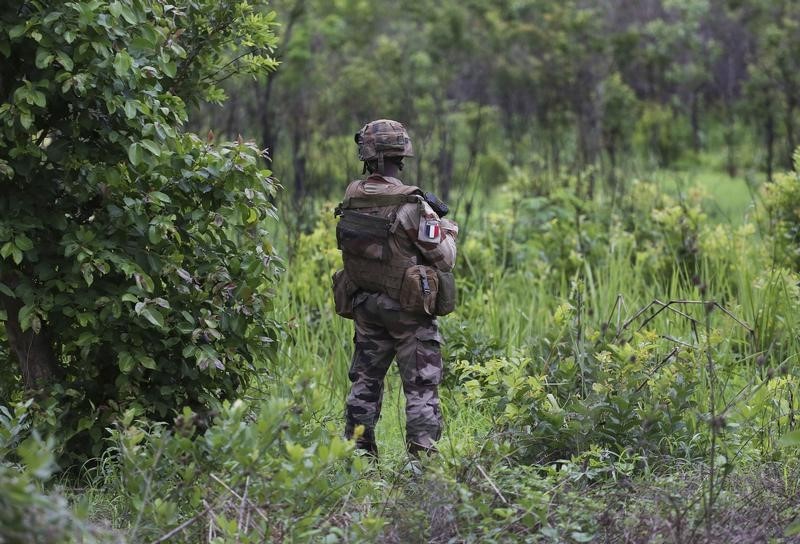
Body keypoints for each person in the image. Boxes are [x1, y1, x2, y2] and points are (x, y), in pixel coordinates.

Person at [334, 119, 458, 458]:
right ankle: (421, 463)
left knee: (365, 384)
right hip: (407, 310)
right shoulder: (411, 206)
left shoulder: (352, 197)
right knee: (420, 387)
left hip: (365, 304)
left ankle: (357, 458)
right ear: (400, 156)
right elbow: (444, 259)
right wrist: (447, 228)